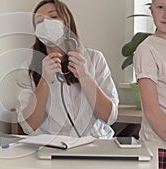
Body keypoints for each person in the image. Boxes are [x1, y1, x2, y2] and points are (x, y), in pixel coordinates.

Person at [15, 0, 119, 138]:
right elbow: (29, 126)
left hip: (94, 144)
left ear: (66, 22)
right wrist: (44, 81)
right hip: (50, 147)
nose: (46, 24)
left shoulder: (95, 59)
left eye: (53, 17)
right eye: (40, 22)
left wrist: (85, 77)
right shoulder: (27, 68)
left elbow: (109, 117)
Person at [133, 0, 166, 150]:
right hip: (161, 148)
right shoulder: (147, 50)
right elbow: (152, 112)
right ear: (151, 10)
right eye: (161, 7)